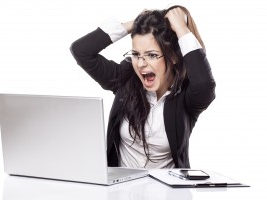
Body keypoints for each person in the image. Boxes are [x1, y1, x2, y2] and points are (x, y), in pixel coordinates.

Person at [70, 5, 216, 169]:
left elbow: (205, 85)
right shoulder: (125, 79)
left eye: (152, 55)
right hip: (120, 192)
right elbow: (81, 51)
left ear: (173, 57)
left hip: (165, 193)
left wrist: (182, 29)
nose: (140, 64)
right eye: (136, 54)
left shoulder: (186, 97)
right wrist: (136, 23)